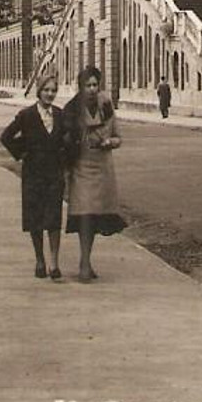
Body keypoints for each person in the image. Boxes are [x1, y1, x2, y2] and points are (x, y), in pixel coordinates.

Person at [0, 74, 67, 280]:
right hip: (33, 174)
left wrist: (65, 160)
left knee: (54, 217)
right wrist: (22, 153)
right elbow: (6, 137)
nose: (50, 94)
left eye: (53, 90)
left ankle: (54, 263)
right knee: (36, 218)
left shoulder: (60, 115)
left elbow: (68, 140)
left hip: (54, 174)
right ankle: (40, 259)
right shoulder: (26, 115)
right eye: (46, 90)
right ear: (39, 91)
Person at [63, 65, 125, 282]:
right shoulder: (72, 109)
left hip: (102, 167)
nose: (91, 89)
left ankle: (86, 260)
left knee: (95, 216)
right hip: (81, 167)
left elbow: (118, 136)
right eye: (87, 85)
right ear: (80, 87)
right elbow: (65, 141)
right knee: (85, 215)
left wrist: (110, 141)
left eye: (95, 85)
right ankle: (85, 264)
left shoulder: (105, 105)